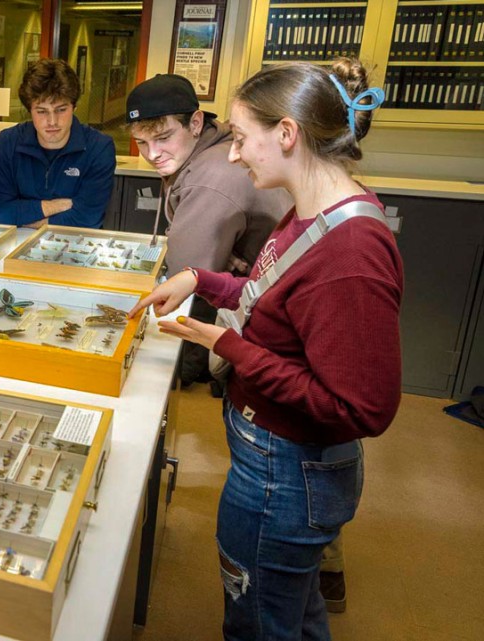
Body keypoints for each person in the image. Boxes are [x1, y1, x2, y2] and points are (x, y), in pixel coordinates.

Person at [129, 59, 402, 640]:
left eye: (242, 138)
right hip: (269, 453)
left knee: (257, 621)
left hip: (288, 472)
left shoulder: (352, 250)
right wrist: (203, 282)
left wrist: (226, 343)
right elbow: (266, 293)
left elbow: (361, 409)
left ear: (287, 135)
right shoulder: (306, 212)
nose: (231, 154)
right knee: (289, 609)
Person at [126, 74, 289, 389]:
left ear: (196, 122)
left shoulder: (210, 175)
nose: (152, 154)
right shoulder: (208, 145)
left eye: (163, 137)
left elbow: (184, 276)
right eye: (142, 142)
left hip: (265, 321)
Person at [0, 58, 116, 229]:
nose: (52, 121)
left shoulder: (99, 147)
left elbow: (87, 219)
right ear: (30, 111)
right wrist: (57, 206)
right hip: (16, 244)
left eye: (61, 110)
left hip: (77, 245)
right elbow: (2, 214)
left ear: (75, 107)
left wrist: (27, 219)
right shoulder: (8, 142)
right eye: (42, 111)